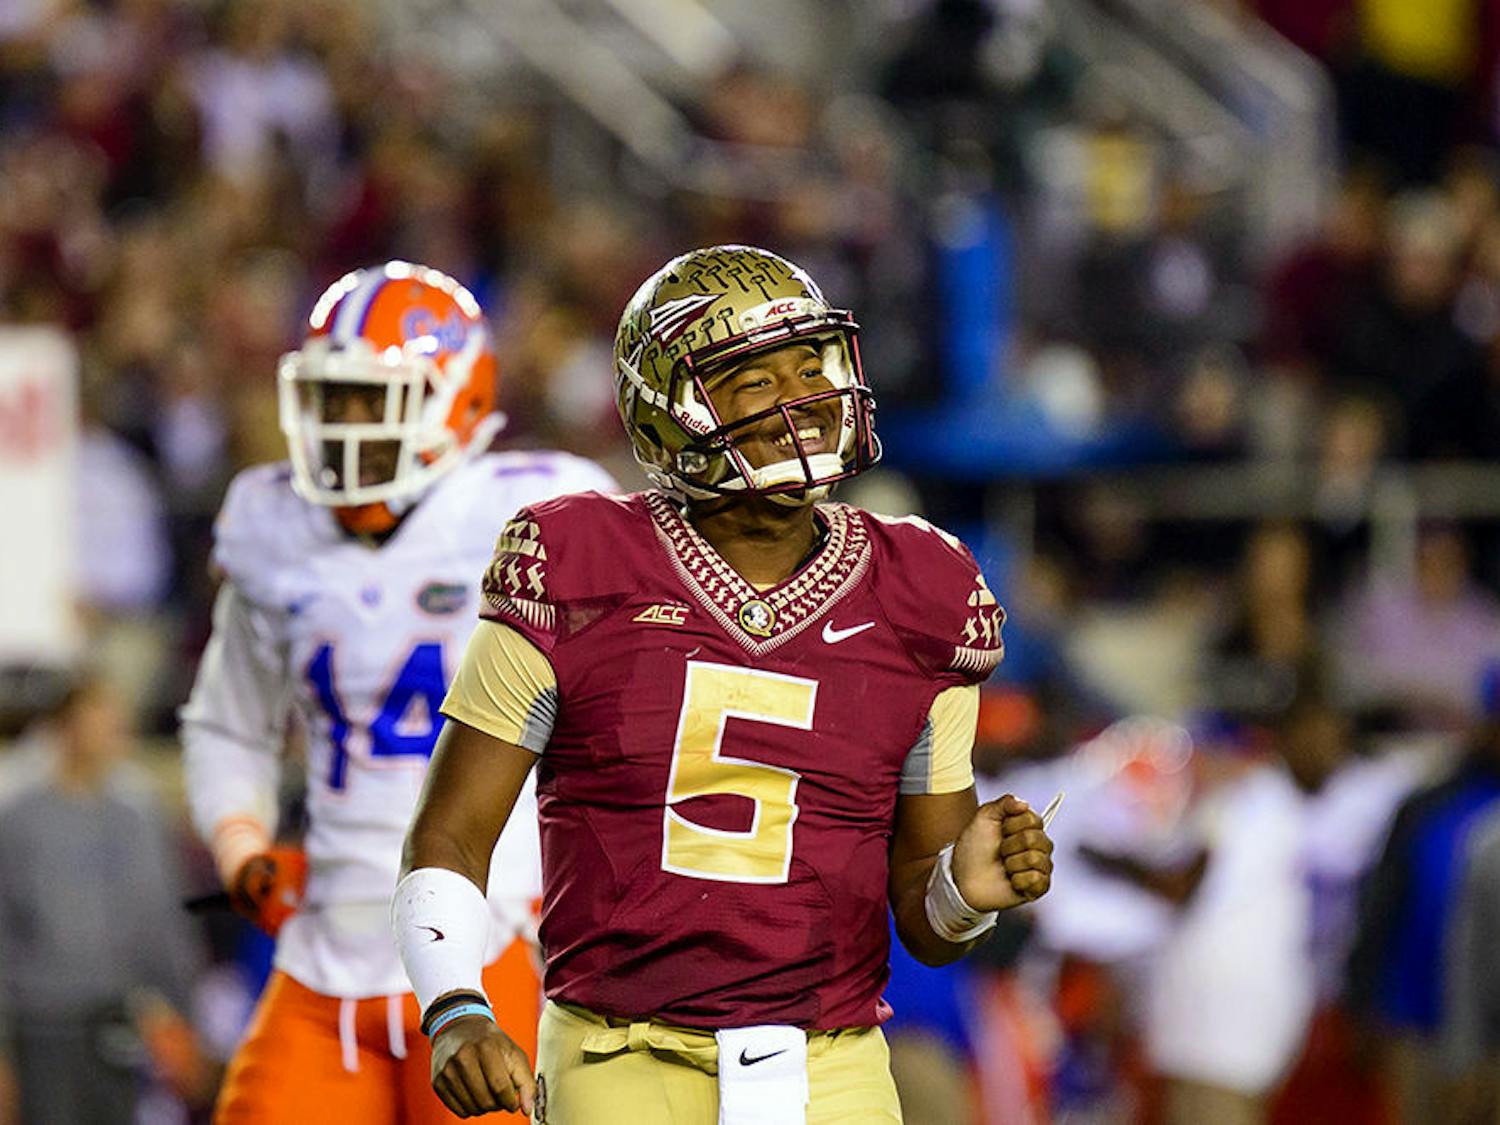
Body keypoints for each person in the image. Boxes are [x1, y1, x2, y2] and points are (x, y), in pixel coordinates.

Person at [392, 244, 1055, 1123]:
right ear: (669, 414)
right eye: (754, 381)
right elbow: (451, 829)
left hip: (835, 1064)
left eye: (808, 366)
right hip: (621, 1053)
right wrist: (455, 1007)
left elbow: (927, 926)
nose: (803, 401)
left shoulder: (923, 589)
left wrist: (965, 890)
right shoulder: (577, 564)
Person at [179, 260, 616, 1124]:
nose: (343, 422)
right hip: (322, 956)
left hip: (490, 947)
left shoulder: (532, 513)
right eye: (332, 397)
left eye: (369, 398)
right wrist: (242, 846)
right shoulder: (274, 527)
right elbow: (228, 723)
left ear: (451, 398)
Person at [0, 672, 206, 1124]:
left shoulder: (137, 817)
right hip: (43, 1027)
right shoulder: (19, 821)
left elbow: (164, 923)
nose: (112, 726)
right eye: (98, 713)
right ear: (65, 724)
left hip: (119, 1019)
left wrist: (183, 1017)